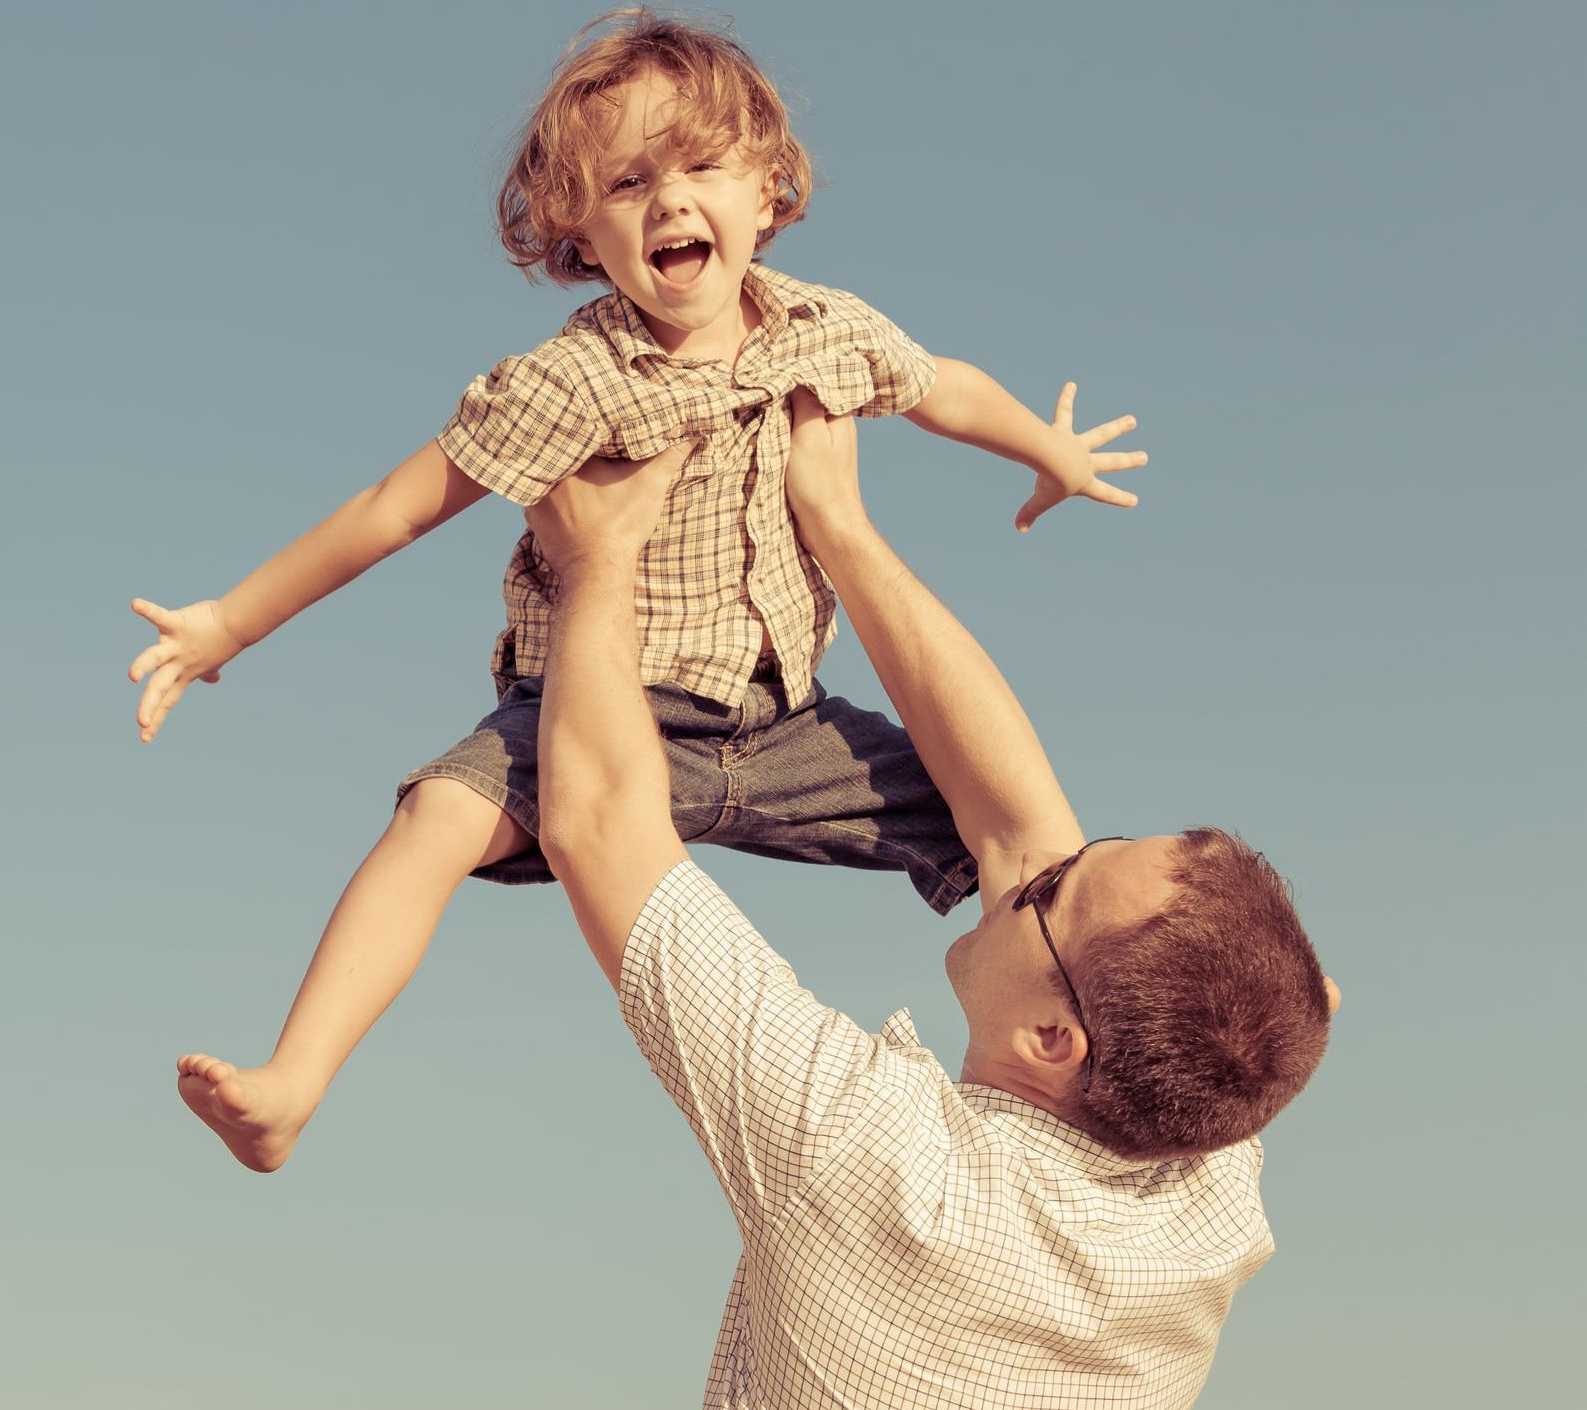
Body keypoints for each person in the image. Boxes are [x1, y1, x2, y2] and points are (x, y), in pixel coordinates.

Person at [135, 10, 1144, 1173]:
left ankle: (1102, 1066)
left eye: (701, 166)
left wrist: (1045, 452)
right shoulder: (570, 381)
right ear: (578, 233)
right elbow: (395, 505)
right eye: (627, 182)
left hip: (783, 722)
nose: (669, 202)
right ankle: (292, 1085)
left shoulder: (823, 330)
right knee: (433, 818)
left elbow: (940, 385)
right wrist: (229, 622)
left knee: (1015, 839)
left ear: (768, 189)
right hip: (599, 713)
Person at [526, 391, 1338, 1409]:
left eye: (1050, 890)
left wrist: (595, 565)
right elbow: (1020, 829)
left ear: (1053, 1040)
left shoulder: (867, 1159)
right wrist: (838, 527)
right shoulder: (1207, 1190)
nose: (1047, 850)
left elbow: (598, 820)